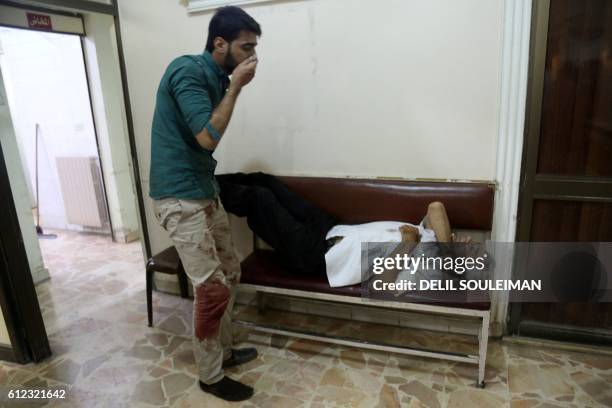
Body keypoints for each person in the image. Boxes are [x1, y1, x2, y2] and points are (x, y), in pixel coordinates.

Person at [149, 6, 261, 402]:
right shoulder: (188, 71)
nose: (252, 56)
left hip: (202, 188)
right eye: (246, 47)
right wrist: (236, 89)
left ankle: (226, 353)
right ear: (220, 43)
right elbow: (207, 138)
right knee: (211, 289)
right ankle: (210, 376)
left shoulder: (216, 76)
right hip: (178, 196)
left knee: (230, 272)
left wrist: (231, 84)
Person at [217, 172, 472, 287]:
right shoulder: (439, 244)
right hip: (332, 228)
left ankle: (199, 190)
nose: (470, 241)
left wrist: (408, 242)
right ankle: (207, 176)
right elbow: (436, 207)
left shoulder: (431, 271)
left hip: (317, 256)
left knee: (259, 198)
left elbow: (384, 286)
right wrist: (450, 249)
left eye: (474, 251)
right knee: (266, 181)